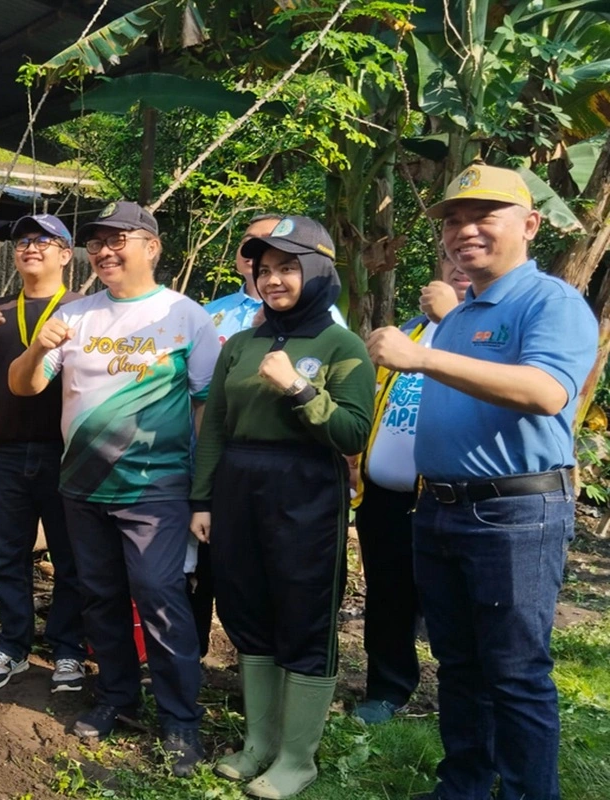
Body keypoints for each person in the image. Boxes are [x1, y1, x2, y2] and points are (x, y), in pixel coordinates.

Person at [368, 163, 597, 800]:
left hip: (513, 513)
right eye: (453, 221)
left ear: (529, 225)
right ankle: (464, 785)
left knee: (516, 671)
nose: (464, 230)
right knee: (460, 664)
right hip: (439, 509)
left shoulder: (551, 303)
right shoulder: (464, 312)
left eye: (483, 217)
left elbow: (548, 392)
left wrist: (423, 355)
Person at [8, 201, 220, 777]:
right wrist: (37, 347)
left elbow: (207, 408)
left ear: (152, 247)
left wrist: (202, 492)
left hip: (157, 488)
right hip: (81, 487)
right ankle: (117, 699)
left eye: (117, 239)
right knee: (98, 595)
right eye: (95, 242)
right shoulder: (76, 316)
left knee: (160, 598)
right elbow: (24, 387)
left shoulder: (186, 317)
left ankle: (180, 721)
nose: (103, 250)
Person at [190, 216, 375, 799]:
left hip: (305, 489)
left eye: (287, 268)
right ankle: (258, 745)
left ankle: (298, 757)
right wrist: (203, 498)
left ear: (319, 271)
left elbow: (351, 433)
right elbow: (215, 425)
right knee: (248, 611)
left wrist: (299, 388)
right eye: (264, 269)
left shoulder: (341, 345)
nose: (272, 279)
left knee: (304, 615)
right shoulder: (241, 345)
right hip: (239, 486)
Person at [0, 214, 85, 693]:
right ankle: (13, 646)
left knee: (71, 556)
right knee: (8, 555)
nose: (31, 248)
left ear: (66, 254)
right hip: (5, 452)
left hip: (67, 453)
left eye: (44, 241)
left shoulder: (85, 313)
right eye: (23, 241)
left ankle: (68, 650)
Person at [350, 254, 467, 726]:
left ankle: (463, 699)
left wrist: (453, 317)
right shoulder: (413, 329)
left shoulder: (493, 329)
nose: (458, 262)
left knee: (451, 601)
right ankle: (387, 687)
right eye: (450, 255)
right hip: (386, 497)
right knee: (387, 595)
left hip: (448, 496)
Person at [203, 214, 346, 346]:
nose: (273, 281)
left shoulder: (322, 314)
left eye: (269, 240)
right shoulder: (208, 312)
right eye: (248, 241)